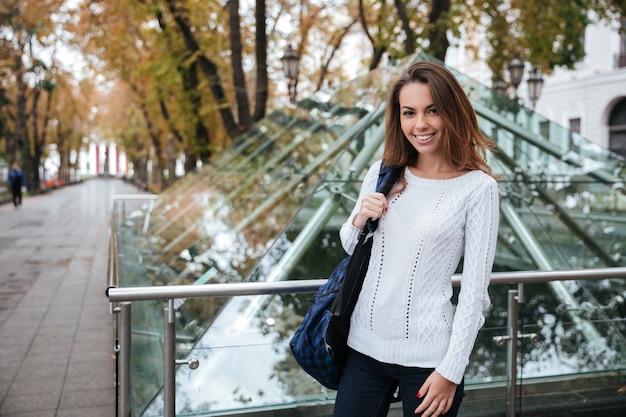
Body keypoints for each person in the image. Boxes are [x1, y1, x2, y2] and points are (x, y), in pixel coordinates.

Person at [333, 61, 500, 417]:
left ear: (452, 113)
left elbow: (474, 294)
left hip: (430, 362)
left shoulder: (478, 189)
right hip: (362, 350)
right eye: (409, 113)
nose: (420, 124)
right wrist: (361, 217)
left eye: (432, 111)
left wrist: (451, 371)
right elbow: (351, 245)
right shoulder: (383, 172)